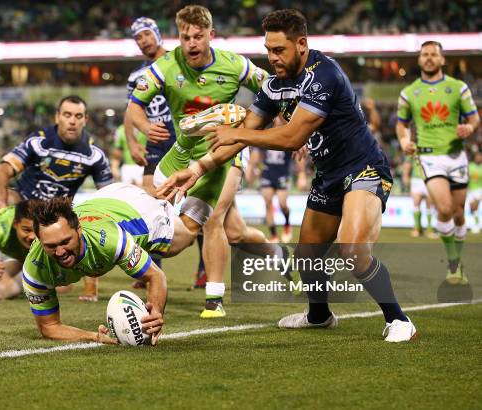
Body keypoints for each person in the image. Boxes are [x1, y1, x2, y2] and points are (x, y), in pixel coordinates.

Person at [158, 9, 418, 342]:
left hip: (363, 168)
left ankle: (399, 319)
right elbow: (242, 133)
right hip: (328, 176)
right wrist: (197, 168)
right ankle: (319, 316)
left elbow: (291, 137)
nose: (273, 58)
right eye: (268, 50)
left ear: (302, 44)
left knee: (352, 250)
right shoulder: (272, 86)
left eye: (279, 50)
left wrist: (237, 135)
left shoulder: (324, 74)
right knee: (307, 255)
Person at [127, 5, 270, 317]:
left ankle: (214, 299)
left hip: (226, 151)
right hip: (185, 153)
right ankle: (278, 257)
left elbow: (273, 88)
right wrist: (144, 126)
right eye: (184, 37)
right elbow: (134, 106)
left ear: (211, 35)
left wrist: (288, 124)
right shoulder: (165, 66)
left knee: (212, 218)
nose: (191, 43)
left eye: (198, 36)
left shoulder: (235, 65)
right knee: (237, 233)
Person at [22, 183, 197, 344]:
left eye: (65, 242)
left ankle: (199, 184)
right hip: (101, 203)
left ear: (79, 229)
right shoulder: (35, 269)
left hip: (135, 211)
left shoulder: (111, 241)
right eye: (51, 246)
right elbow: (49, 327)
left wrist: (156, 312)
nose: (60, 252)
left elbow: (154, 275)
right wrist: (93, 336)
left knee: (187, 237)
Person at [0, 95, 113, 300]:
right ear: (57, 117)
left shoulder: (94, 155)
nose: (72, 120)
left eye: (78, 116)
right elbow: (2, 171)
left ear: (85, 120)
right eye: (67, 115)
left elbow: (107, 195)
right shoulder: (38, 142)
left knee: (90, 221)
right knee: (7, 199)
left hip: (55, 217)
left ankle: (87, 286)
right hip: (25, 206)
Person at [126, 16, 207, 289]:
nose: (143, 41)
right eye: (138, 38)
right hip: (154, 143)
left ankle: (204, 269)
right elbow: (131, 110)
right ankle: (151, 269)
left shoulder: (179, 61)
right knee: (149, 203)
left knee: (194, 204)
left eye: (147, 34)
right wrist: (133, 141)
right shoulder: (135, 77)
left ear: (158, 34)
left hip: (181, 138)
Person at [396, 41, 479, 284]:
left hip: (456, 155)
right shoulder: (409, 93)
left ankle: (457, 259)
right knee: (444, 209)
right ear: (420, 60)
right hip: (429, 156)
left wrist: (469, 127)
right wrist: (403, 140)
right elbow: (401, 124)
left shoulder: (458, 88)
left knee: (458, 213)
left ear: (443, 60)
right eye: (425, 54)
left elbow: (474, 118)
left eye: (434, 54)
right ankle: (453, 264)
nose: (429, 58)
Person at [246, 147, 293, 242]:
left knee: (283, 204)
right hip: (267, 173)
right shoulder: (267, 134)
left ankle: (287, 224)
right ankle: (273, 235)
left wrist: (302, 174)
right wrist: (251, 167)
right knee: (268, 204)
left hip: (283, 174)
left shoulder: (286, 136)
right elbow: (258, 151)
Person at [402, 156, 436, 238]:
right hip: (416, 180)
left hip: (429, 178)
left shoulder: (432, 149)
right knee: (416, 203)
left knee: (430, 204)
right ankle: (417, 228)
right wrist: (405, 175)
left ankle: (429, 229)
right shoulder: (414, 150)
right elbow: (408, 163)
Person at [468, 150, 482, 234]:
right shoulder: (470, 166)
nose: (478, 158)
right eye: (477, 156)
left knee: (476, 205)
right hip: (471, 190)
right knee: (472, 208)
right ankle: (475, 223)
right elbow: (467, 178)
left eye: (480, 156)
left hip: (480, 189)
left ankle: (477, 224)